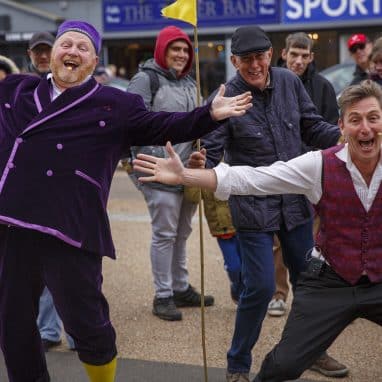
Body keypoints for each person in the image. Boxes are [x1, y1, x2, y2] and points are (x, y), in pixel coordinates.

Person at [0, 19, 252, 382]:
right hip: (13, 222)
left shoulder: (116, 104)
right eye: (65, 44)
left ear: (93, 59)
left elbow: (165, 124)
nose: (72, 52)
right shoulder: (16, 90)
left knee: (87, 322)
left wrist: (208, 114)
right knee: (13, 322)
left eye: (82, 47)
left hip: (71, 225)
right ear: (53, 52)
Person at [134, 78, 382, 382]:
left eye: (373, 118)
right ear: (341, 127)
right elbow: (252, 179)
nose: (366, 128)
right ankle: (243, 365)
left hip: (377, 278)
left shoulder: (291, 86)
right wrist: (187, 174)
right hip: (329, 280)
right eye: (355, 120)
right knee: (283, 363)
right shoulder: (319, 165)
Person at [198, 25, 346, 381]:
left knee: (310, 282)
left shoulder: (289, 83)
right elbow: (211, 154)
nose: (254, 65)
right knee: (261, 287)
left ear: (271, 54)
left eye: (259, 56)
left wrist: (344, 136)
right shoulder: (226, 97)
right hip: (252, 206)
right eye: (245, 59)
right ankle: (237, 365)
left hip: (295, 203)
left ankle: (311, 351)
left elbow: (311, 127)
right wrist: (199, 162)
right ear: (234, 61)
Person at [126, 26, 214, 321]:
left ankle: (180, 287)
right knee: (164, 233)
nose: (181, 54)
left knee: (183, 231)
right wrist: (149, 162)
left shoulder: (191, 82)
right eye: (175, 48)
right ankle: (162, 295)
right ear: (162, 50)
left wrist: (199, 154)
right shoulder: (145, 80)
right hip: (155, 170)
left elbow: (197, 125)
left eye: (186, 49)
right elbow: (131, 125)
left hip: (187, 171)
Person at [268, 31, 339, 317]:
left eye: (304, 55)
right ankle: (278, 293)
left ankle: (312, 299)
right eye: (293, 54)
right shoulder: (269, 83)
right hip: (279, 173)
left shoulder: (323, 87)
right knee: (277, 242)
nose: (298, 61)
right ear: (283, 54)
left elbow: (328, 128)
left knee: (314, 240)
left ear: (311, 57)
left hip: (315, 172)